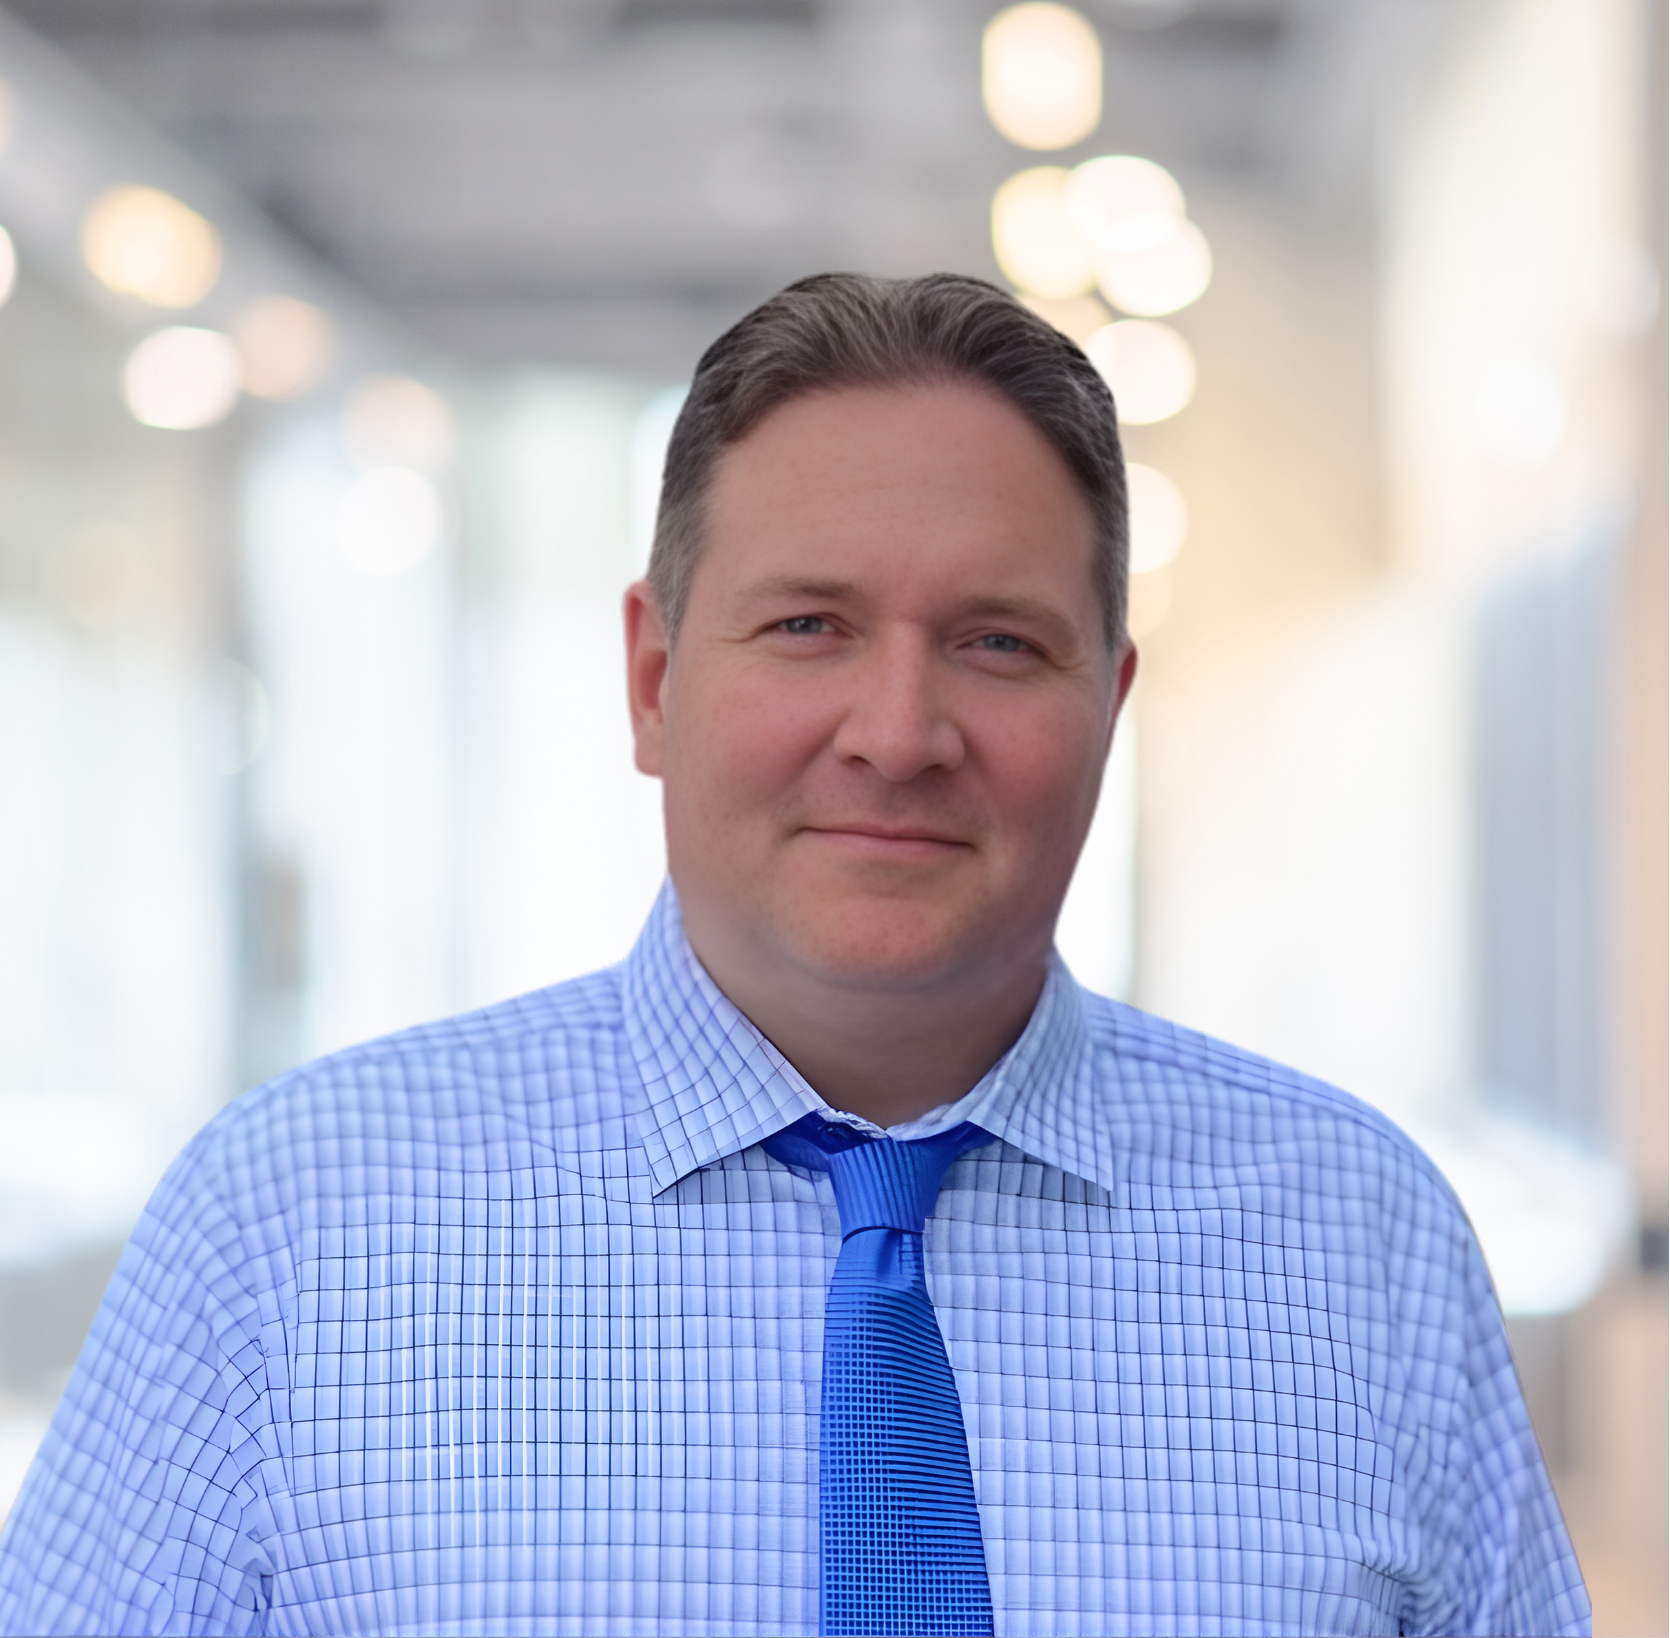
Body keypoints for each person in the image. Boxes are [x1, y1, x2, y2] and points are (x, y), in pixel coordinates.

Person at [0, 273, 1587, 1638]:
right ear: (650, 675)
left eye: (994, 641)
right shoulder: (283, 1229)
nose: (897, 737)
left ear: (1109, 703)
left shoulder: (1363, 1242)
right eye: (809, 626)